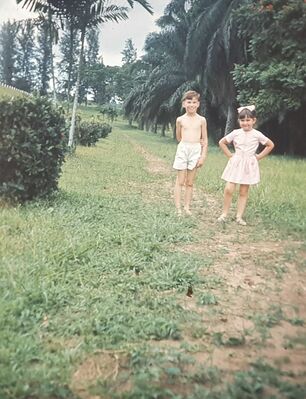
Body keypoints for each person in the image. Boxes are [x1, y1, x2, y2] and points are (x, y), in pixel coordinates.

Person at [218, 105, 274, 225]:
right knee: (229, 189)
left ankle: (239, 216)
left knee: (243, 191)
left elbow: (270, 145)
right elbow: (222, 142)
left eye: (248, 120)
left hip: (249, 165)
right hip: (236, 163)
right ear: (239, 121)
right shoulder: (235, 133)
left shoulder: (257, 134)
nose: (245, 123)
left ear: (254, 120)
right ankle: (224, 214)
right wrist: (230, 156)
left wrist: (258, 157)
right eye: (242, 120)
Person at [173, 90, 208, 215]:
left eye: (194, 102)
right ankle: (178, 208)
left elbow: (205, 139)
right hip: (183, 148)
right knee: (180, 180)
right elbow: (178, 137)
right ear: (184, 104)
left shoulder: (202, 120)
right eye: (189, 102)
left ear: (198, 104)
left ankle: (187, 207)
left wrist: (202, 156)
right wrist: (185, 144)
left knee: (190, 182)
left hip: (196, 150)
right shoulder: (180, 120)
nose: (191, 105)